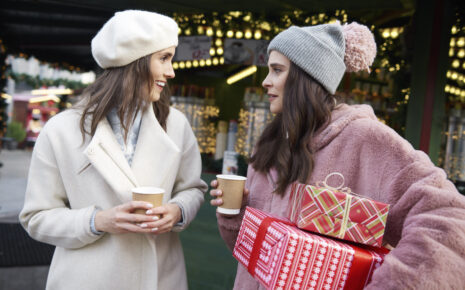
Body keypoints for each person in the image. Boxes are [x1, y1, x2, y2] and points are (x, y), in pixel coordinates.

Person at [210, 22, 465, 289]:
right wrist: (236, 216)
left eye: (277, 70)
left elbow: (449, 222)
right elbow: (258, 260)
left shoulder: (366, 138)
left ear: (306, 77)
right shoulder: (269, 144)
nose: (265, 81)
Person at [20, 10, 207, 290]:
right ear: (136, 61)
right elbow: (36, 218)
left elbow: (193, 189)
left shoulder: (176, 124)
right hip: (87, 279)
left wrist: (178, 210)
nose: (171, 71)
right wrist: (98, 221)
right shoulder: (60, 130)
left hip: (161, 277)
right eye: (164, 58)